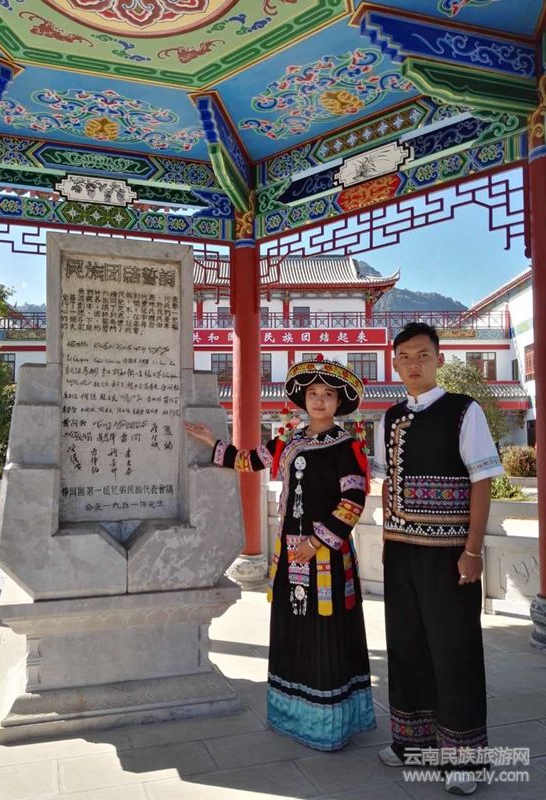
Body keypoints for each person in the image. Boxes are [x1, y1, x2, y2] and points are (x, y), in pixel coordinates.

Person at [186, 356, 376, 751]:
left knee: (325, 632)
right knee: (292, 628)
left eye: (327, 395)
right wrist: (212, 443)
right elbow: (249, 460)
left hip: (327, 557)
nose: (319, 400)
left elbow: (353, 503)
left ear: (338, 403)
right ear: (303, 399)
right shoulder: (288, 441)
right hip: (289, 556)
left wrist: (317, 541)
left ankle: (329, 724)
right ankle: (292, 715)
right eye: (313, 393)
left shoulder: (348, 447)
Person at [373, 322, 504, 795]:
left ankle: (464, 759)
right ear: (395, 363)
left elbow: (482, 481)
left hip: (450, 556)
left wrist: (472, 550)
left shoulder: (463, 410)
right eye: (404, 357)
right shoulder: (389, 417)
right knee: (405, 646)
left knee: (455, 651)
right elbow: (387, 484)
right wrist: (387, 540)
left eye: (422, 355)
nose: (413, 364)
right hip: (401, 552)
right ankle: (411, 741)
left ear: (439, 360)